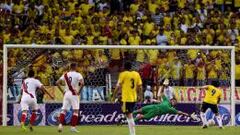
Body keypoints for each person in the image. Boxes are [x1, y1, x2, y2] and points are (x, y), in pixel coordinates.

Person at [112, 61, 142, 135]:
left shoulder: (123, 74)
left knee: (129, 116)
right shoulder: (136, 74)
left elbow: (118, 86)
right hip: (133, 98)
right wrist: (140, 96)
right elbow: (140, 86)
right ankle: (132, 133)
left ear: (124, 67)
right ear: (131, 67)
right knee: (129, 115)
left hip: (126, 98)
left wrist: (113, 96)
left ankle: (132, 133)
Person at [56, 63, 84, 133]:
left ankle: (60, 125)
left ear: (70, 67)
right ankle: (73, 127)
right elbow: (82, 83)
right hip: (74, 94)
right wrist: (79, 92)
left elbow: (57, 83)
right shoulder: (78, 74)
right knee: (76, 111)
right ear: (75, 67)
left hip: (67, 93)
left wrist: (62, 91)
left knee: (64, 110)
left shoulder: (65, 74)